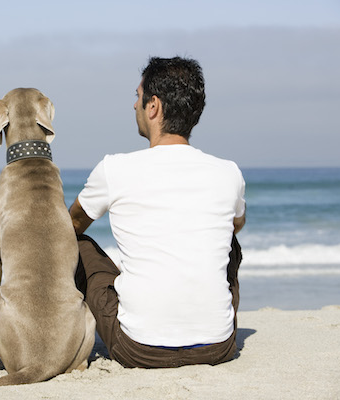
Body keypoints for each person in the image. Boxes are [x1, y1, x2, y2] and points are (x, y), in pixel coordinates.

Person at [69, 56, 246, 368]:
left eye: (137, 97)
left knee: (77, 245)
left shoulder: (115, 168)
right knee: (229, 241)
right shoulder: (228, 172)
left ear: (153, 107)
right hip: (218, 347)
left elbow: (70, 225)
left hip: (138, 349)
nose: (133, 106)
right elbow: (236, 225)